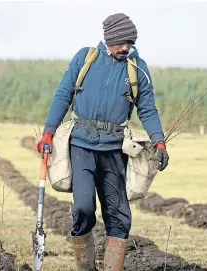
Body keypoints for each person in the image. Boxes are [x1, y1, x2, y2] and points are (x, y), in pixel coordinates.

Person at [36, 12, 169, 270]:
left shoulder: (137, 69)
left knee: (119, 217)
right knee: (83, 209)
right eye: (122, 42)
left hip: (115, 149)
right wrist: (48, 132)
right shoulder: (85, 59)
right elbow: (63, 95)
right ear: (109, 39)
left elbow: (148, 110)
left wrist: (159, 142)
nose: (126, 47)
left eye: (130, 42)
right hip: (82, 145)